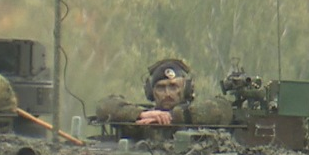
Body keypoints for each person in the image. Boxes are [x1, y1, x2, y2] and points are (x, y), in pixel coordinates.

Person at [95, 58, 232, 134]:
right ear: (151, 92)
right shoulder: (142, 119)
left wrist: (175, 117)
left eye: (173, 87)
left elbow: (223, 108)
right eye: (161, 87)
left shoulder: (198, 116)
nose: (167, 94)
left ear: (186, 89)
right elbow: (104, 106)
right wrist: (139, 115)